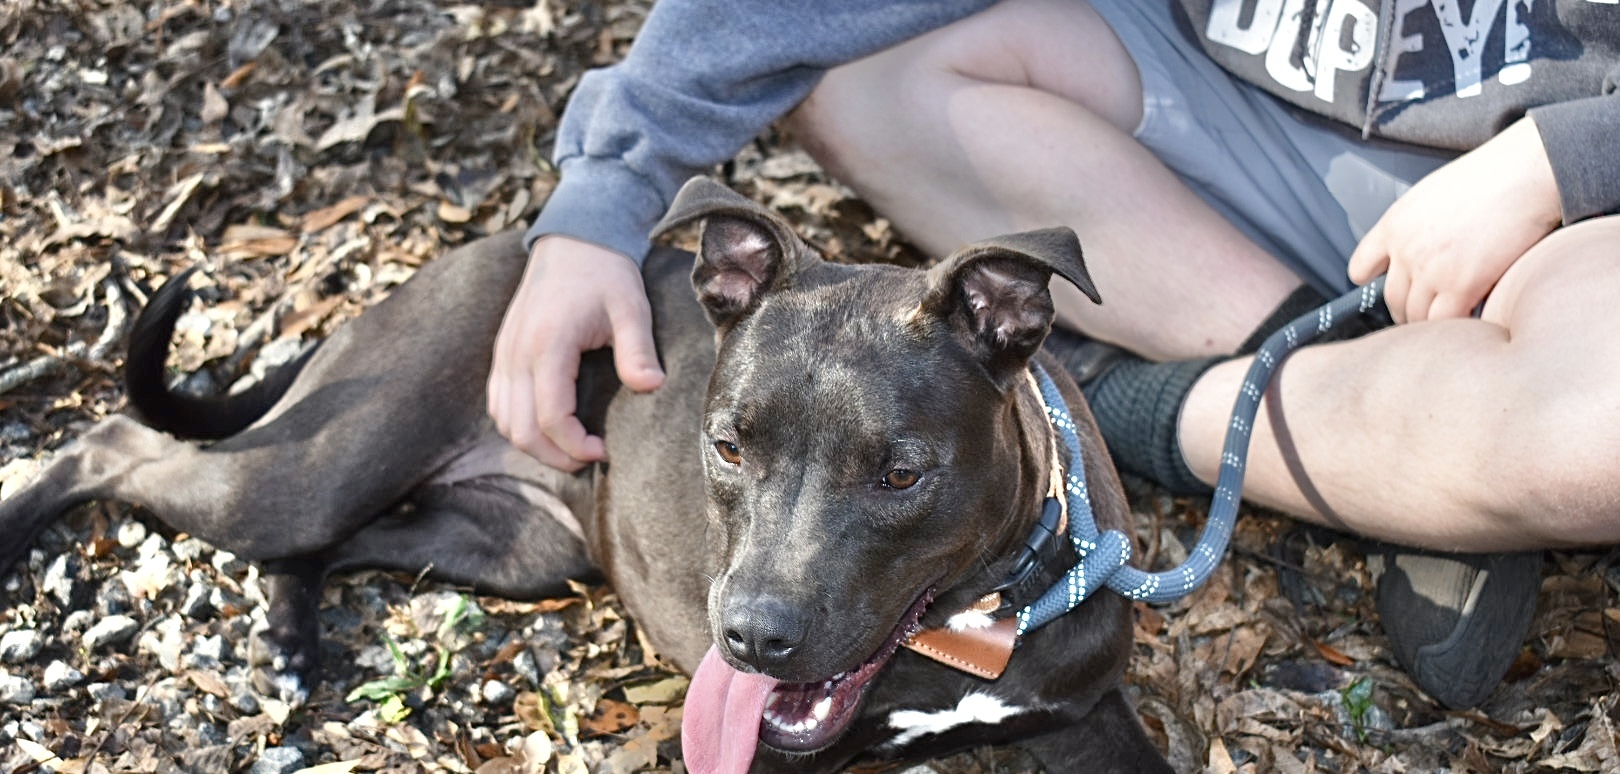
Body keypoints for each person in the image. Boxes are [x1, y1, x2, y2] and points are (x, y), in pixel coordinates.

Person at [488, 0, 1620, 709]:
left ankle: (1148, 405)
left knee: (1594, 436)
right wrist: (602, 198)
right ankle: (1382, 415)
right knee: (864, 76)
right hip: (1225, 104)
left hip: (1565, 189)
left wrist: (1557, 162)